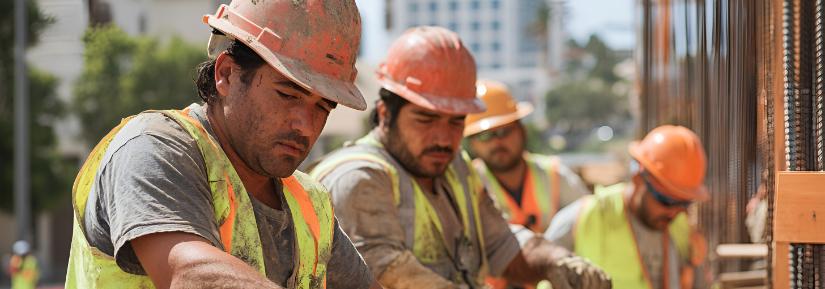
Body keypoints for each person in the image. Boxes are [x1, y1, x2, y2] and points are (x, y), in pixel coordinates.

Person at [64, 1, 379, 288]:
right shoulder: (154, 146)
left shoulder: (310, 204)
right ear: (226, 74)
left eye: (322, 107)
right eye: (288, 94)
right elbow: (187, 273)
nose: (305, 124)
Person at [310, 26, 610, 289]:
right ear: (386, 113)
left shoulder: (455, 170)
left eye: (455, 121)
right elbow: (388, 276)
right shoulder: (359, 178)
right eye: (426, 119)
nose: (443, 138)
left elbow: (501, 243)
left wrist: (555, 262)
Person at [546, 125, 709, 289]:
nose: (674, 212)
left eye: (684, 203)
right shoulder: (583, 218)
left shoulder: (680, 227)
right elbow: (542, 276)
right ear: (638, 179)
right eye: (666, 200)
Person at [464, 80, 590, 289]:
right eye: (485, 136)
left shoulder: (554, 175)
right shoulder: (467, 184)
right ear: (473, 143)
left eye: (504, 131)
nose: (497, 143)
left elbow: (590, 221)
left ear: (521, 130)